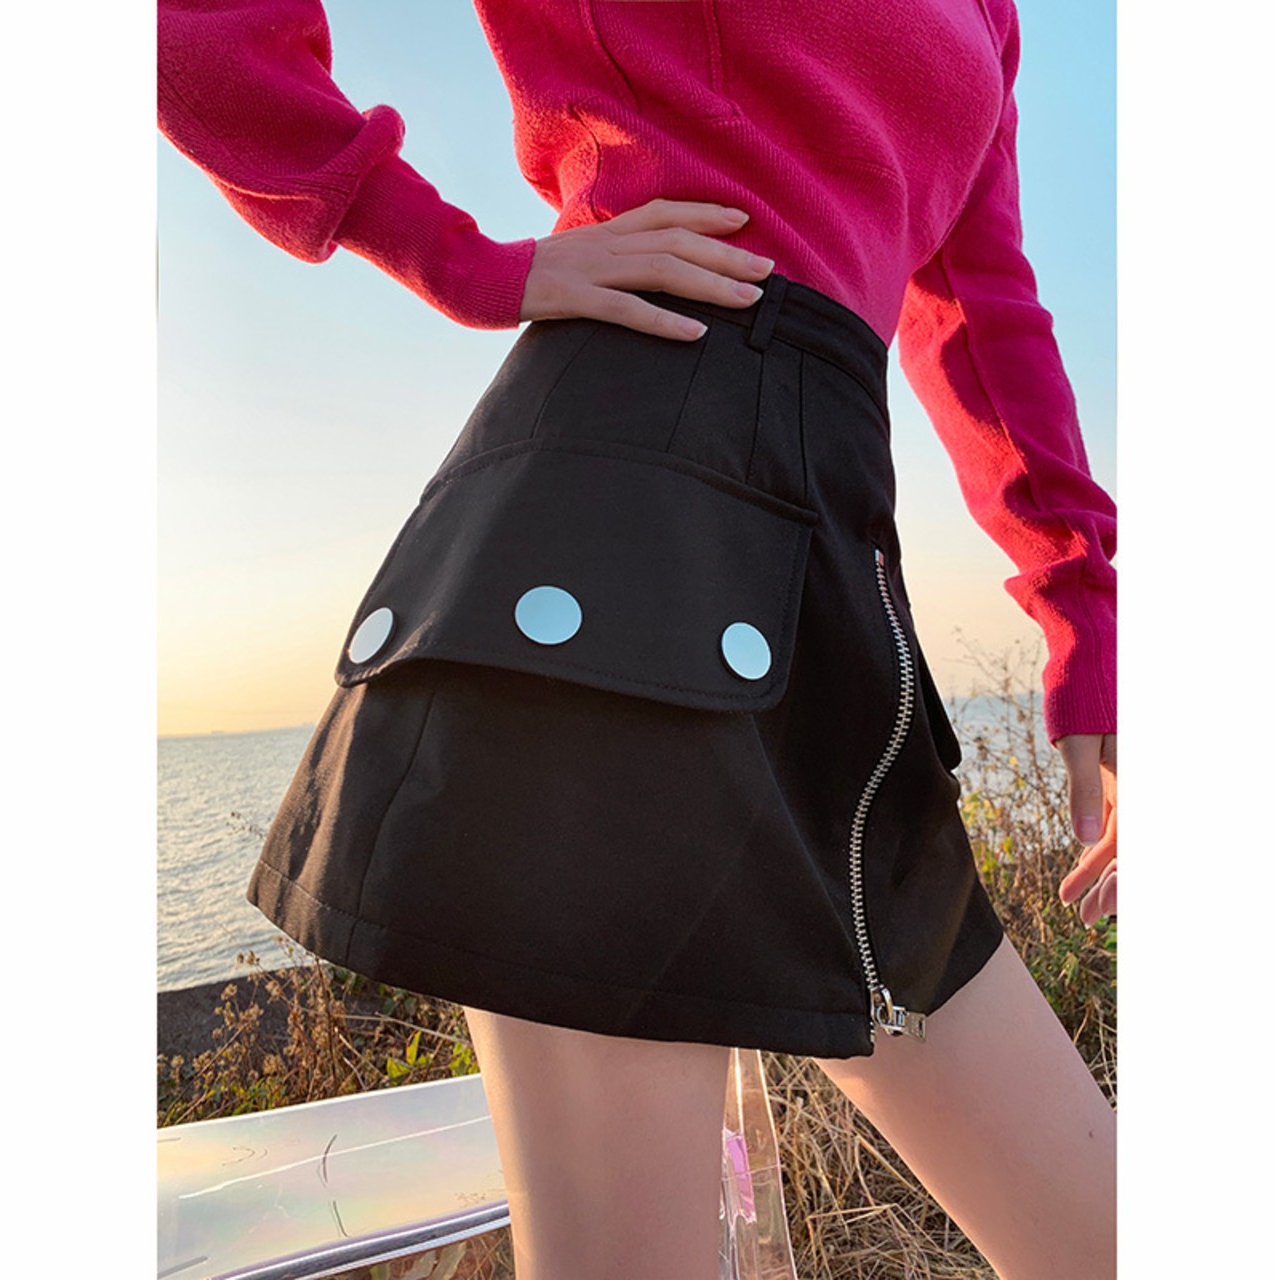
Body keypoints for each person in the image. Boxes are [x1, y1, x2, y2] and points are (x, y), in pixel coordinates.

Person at [158, 3, 1117, 1277]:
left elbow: (983, 311)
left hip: (833, 552)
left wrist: (1087, 621)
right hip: (613, 541)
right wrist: (461, 258)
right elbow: (193, 34)